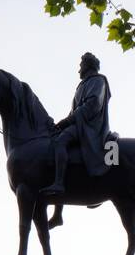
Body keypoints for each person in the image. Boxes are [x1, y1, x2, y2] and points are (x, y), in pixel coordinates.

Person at [41, 53, 113, 196]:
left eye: (81, 66)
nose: (79, 70)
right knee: (57, 135)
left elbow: (92, 104)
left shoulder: (98, 81)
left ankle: (59, 184)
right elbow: (74, 111)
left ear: (88, 65)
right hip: (80, 124)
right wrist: (62, 123)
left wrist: (68, 121)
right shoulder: (83, 85)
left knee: (60, 142)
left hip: (90, 127)